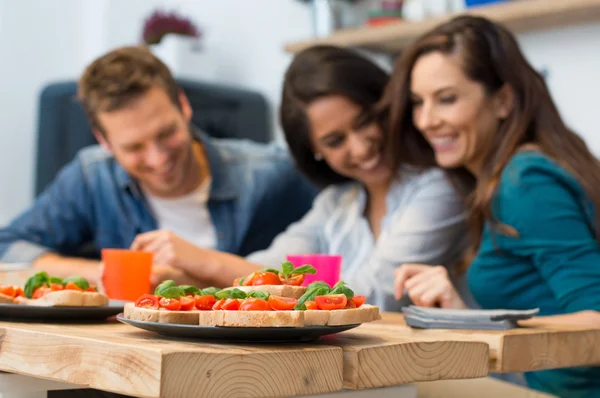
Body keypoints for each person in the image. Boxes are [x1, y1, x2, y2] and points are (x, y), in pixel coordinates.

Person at [152, 45, 471, 312]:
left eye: (365, 122)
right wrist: (190, 275)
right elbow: (276, 270)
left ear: (386, 106)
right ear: (315, 151)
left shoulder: (438, 187)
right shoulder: (336, 203)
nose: (360, 148)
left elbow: (374, 294)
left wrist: (207, 262)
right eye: (335, 141)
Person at [386, 15, 600, 397]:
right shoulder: (506, 178)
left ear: (502, 100)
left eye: (446, 99)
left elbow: (597, 319)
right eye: (419, 103)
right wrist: (459, 315)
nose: (426, 120)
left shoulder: (525, 181)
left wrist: (481, 323)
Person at [0, 46, 317, 289]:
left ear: (184, 105)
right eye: (133, 147)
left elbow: (338, 251)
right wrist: (104, 272)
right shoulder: (92, 176)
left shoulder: (272, 174)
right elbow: (7, 247)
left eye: (166, 134)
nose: (157, 158)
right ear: (104, 141)